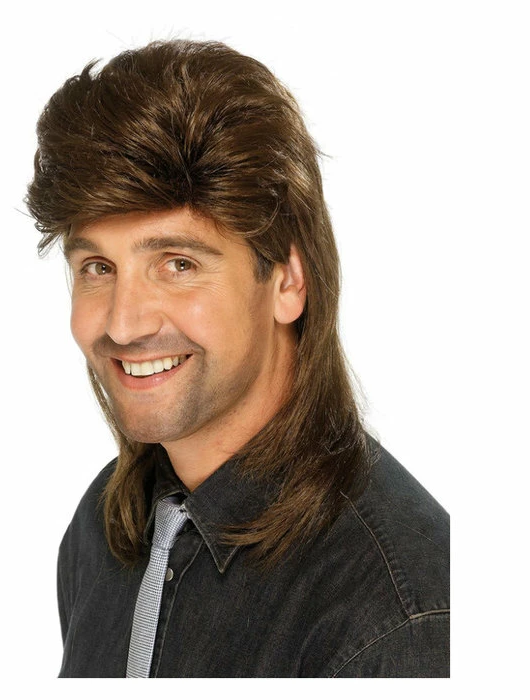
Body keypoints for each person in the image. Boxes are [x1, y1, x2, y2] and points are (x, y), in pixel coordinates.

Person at [26, 39, 449, 678]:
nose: (122, 323)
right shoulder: (105, 529)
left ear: (287, 280)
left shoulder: (399, 617)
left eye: (178, 264)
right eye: (97, 268)